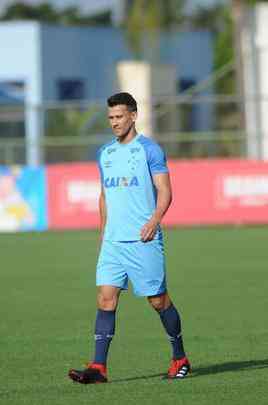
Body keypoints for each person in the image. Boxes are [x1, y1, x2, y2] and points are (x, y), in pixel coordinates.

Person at [68, 92, 191, 384]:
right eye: (110, 117)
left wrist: (154, 220)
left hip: (142, 240)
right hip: (113, 242)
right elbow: (104, 196)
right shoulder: (105, 153)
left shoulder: (149, 150)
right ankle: (98, 368)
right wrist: (103, 233)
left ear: (133, 116)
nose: (114, 122)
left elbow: (165, 191)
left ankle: (180, 357)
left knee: (158, 301)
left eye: (119, 116)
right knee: (105, 298)